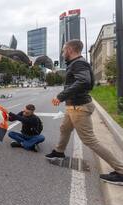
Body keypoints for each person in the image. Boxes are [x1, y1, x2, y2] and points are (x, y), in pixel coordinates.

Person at [46, 39, 123, 185]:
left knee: (89, 140)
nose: (63, 53)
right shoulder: (76, 64)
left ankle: (121, 170)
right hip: (73, 106)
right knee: (64, 129)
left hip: (79, 107)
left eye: (63, 50)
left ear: (69, 50)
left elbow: (84, 82)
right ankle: (59, 152)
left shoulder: (78, 63)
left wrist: (60, 96)